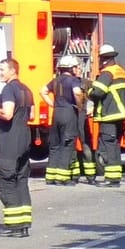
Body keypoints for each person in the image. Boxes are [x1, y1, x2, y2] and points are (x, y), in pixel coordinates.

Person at [0, 57, 35, 237]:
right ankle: (24, 225)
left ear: (13, 71)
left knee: (6, 181)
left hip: (10, 140)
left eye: (2, 70)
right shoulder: (26, 89)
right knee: (21, 181)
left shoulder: (9, 89)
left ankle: (15, 226)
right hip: (24, 138)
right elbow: (32, 115)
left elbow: (7, 114)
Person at [89, 43, 125, 187]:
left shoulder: (107, 73)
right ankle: (114, 177)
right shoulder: (121, 71)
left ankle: (112, 179)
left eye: (100, 59)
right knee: (115, 145)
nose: (99, 62)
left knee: (108, 146)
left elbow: (97, 93)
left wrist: (88, 89)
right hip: (119, 115)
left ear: (104, 59)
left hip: (109, 115)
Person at [42, 55, 85, 186]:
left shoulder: (55, 81)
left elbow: (42, 91)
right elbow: (77, 93)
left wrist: (52, 104)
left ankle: (50, 176)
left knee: (55, 145)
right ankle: (61, 177)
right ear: (72, 68)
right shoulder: (73, 81)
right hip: (69, 113)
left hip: (56, 113)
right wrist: (79, 105)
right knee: (67, 145)